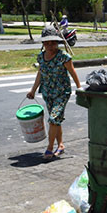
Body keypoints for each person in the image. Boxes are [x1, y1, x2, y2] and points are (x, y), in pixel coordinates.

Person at [27, 26, 81, 159]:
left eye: (53, 43)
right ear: (43, 44)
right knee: (56, 121)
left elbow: (72, 72)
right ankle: (60, 145)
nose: (50, 46)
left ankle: (49, 148)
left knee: (53, 119)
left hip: (62, 92)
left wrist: (79, 87)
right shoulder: (41, 57)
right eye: (47, 43)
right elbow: (40, 73)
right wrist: (33, 90)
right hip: (47, 92)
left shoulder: (64, 57)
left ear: (57, 43)